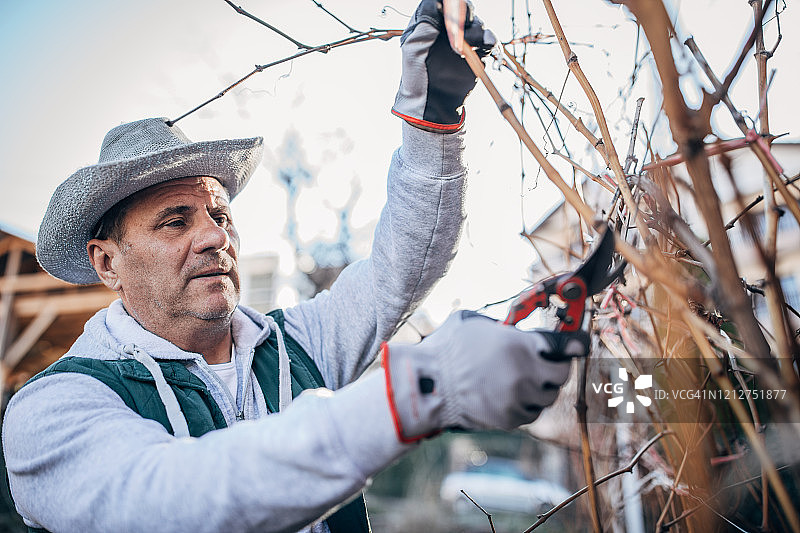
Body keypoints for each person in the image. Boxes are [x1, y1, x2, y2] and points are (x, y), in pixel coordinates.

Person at [3, 2, 587, 532]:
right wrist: (419, 391)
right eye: (175, 222)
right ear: (107, 262)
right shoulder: (53, 408)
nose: (215, 235)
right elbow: (169, 501)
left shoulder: (295, 344)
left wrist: (431, 119)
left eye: (218, 213)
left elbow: (401, 269)